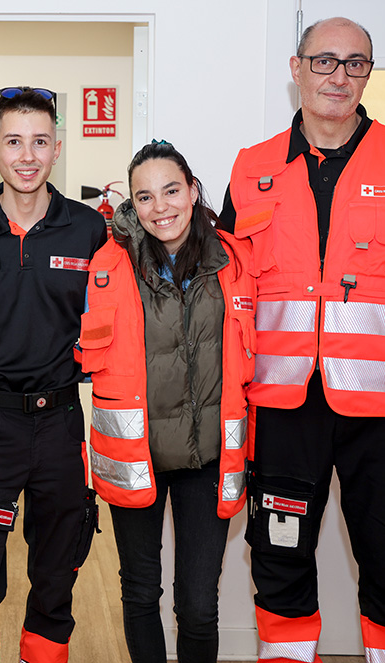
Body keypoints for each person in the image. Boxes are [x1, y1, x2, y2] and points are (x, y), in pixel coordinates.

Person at [217, 17, 385, 662]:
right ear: (296, 67)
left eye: (355, 63)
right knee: (280, 570)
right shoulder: (251, 169)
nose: (340, 75)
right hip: (281, 411)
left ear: (368, 73)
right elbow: (222, 295)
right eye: (325, 61)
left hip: (384, 419)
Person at [0, 86, 106, 663]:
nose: (27, 155)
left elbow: (106, 320)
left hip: (62, 423)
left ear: (57, 149)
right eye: (14, 141)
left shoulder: (89, 230)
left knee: (58, 572)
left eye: (39, 141)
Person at [80, 141, 256, 663]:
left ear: (194, 190)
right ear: (131, 205)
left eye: (172, 190)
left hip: (208, 461)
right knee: (140, 595)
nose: (162, 207)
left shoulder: (234, 260)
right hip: (136, 457)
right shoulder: (107, 262)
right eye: (145, 197)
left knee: (199, 606)